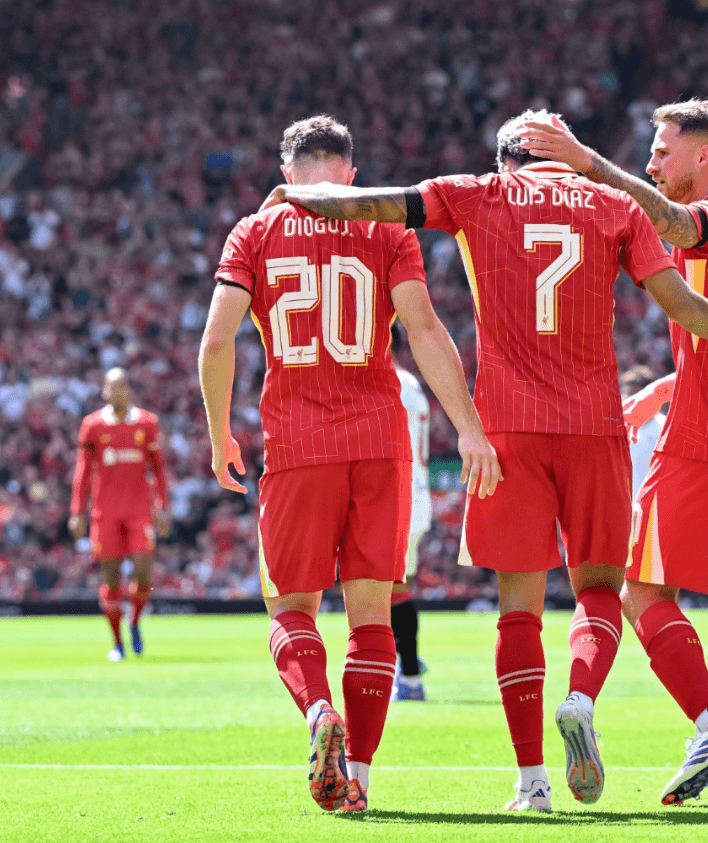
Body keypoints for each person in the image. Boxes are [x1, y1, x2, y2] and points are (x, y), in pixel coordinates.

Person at [264, 108, 708, 812]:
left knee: (516, 613)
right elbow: (679, 302)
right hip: (594, 424)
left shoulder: (476, 193)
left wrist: (303, 197)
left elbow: (385, 203)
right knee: (597, 587)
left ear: (505, 162)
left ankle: (532, 782)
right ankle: (581, 701)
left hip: (508, 431)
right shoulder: (615, 204)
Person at [199, 115, 500, 814]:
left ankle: (316, 712)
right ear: (352, 174)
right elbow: (425, 329)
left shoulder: (254, 231)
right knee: (371, 617)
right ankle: (357, 774)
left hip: (299, 444)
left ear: (288, 172)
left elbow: (217, 341)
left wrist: (220, 437)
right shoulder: (387, 228)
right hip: (380, 441)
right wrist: (469, 427)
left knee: (290, 607)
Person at [523, 98, 708, 805]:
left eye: (662, 150)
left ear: (703, 157)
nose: (651, 162)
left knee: (640, 591)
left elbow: (674, 221)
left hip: (705, 439)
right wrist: (666, 388)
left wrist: (586, 162)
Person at [69, 367, 169, 662]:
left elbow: (159, 470)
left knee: (143, 571)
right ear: (104, 391)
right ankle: (117, 643)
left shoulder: (148, 423)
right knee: (111, 579)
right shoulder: (93, 425)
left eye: (123, 386)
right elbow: (83, 471)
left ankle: (135, 620)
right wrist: (77, 511)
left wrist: (162, 505)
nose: (118, 392)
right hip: (106, 512)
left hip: (139, 510)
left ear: (130, 391)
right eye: (112, 387)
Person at [391, 328, 432, 702]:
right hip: (416, 493)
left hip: (396, 495)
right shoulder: (411, 384)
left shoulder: (388, 382)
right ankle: (407, 663)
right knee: (393, 587)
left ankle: (408, 675)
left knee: (386, 589)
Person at [621, 365, 666, 499]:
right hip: (623, 508)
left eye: (636, 394)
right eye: (629, 393)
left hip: (653, 508)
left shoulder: (664, 429)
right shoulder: (617, 429)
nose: (632, 400)